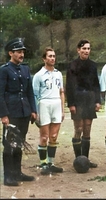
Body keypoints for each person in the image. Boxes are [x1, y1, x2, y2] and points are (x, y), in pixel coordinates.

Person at [0, 38, 36, 186]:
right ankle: (8, 176)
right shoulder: (4, 70)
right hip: (11, 112)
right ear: (10, 53)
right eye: (18, 52)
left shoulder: (25, 69)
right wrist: (3, 114)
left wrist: (33, 110)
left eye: (22, 52)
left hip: (24, 111)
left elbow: (29, 91)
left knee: (19, 143)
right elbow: (0, 93)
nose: (21, 54)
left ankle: (18, 173)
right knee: (9, 144)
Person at [66, 39, 101, 168]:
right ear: (78, 50)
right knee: (78, 129)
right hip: (78, 99)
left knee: (87, 129)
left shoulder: (93, 65)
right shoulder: (72, 65)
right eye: (84, 48)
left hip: (89, 99)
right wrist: (71, 104)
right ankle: (78, 160)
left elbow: (96, 84)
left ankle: (85, 159)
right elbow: (69, 86)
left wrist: (97, 101)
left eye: (88, 48)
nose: (86, 51)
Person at [32, 47, 64, 175]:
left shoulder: (58, 74)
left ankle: (51, 162)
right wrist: (36, 111)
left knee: (54, 136)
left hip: (56, 103)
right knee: (44, 136)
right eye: (49, 56)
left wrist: (62, 109)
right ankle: (43, 163)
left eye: (54, 56)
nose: (52, 58)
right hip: (44, 103)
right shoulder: (38, 75)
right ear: (44, 59)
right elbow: (35, 95)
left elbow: (62, 92)